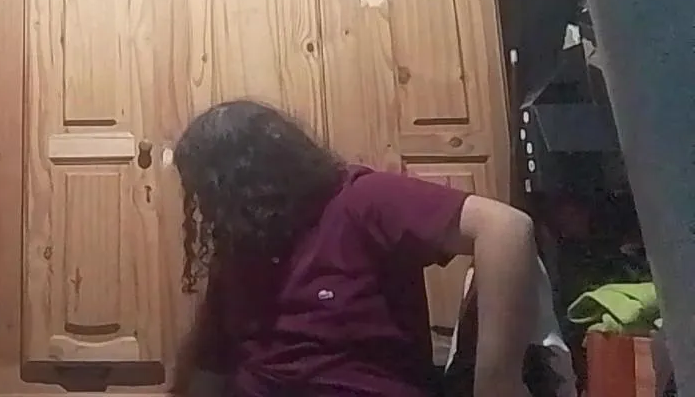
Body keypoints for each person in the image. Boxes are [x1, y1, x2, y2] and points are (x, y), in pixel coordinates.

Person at [169, 100, 540, 397]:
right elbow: (209, 366)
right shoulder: (242, 245)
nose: (208, 208)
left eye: (212, 191)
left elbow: (505, 227)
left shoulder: (361, 201)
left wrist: (497, 383)